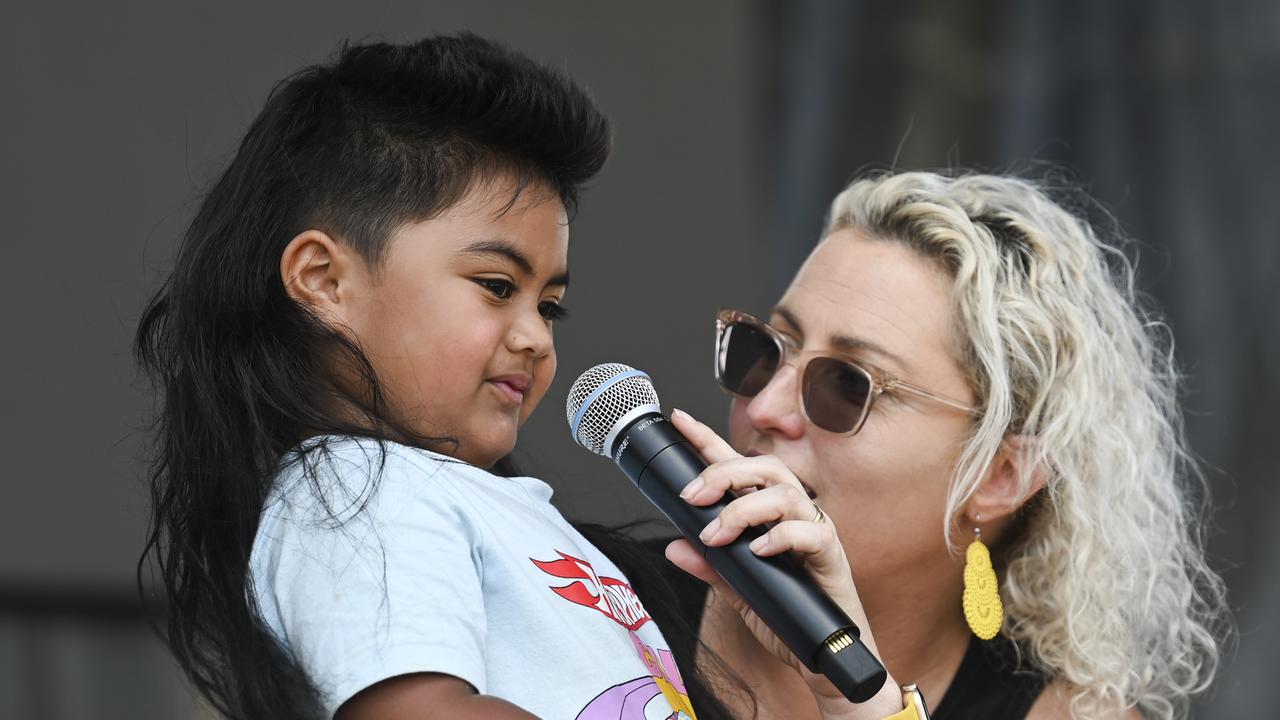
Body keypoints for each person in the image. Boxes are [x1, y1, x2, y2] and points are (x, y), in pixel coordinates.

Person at [135, 33, 718, 720]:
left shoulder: (478, 505)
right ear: (324, 282)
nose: (535, 337)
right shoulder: (355, 487)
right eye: (497, 286)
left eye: (550, 306)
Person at [660, 172, 1229, 719]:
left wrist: (859, 699)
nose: (764, 409)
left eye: (848, 383)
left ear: (998, 475)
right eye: (767, 348)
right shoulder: (600, 606)